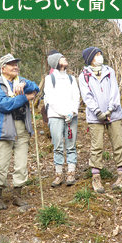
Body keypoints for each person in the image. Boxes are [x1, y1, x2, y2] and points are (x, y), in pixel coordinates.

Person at [0, 53, 40, 210]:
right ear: (2, 68)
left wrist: (25, 87)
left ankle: (17, 195)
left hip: (22, 127)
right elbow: (4, 105)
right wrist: (25, 97)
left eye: (16, 63)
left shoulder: (22, 81)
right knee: (1, 163)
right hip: (4, 127)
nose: (15, 66)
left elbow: (36, 88)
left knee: (21, 163)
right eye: (11, 64)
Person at [79, 47, 122, 193]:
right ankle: (96, 176)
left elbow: (115, 91)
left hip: (114, 114)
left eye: (100, 54)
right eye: (97, 55)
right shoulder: (84, 76)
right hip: (95, 117)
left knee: (118, 142)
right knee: (97, 146)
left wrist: (110, 109)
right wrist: (98, 112)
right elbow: (86, 96)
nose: (100, 57)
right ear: (90, 59)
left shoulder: (109, 71)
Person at [44, 52, 80, 187]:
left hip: (72, 117)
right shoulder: (49, 79)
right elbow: (51, 100)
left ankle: (71, 173)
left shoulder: (71, 79)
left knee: (71, 145)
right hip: (55, 117)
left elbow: (76, 96)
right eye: (62, 58)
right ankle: (58, 174)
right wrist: (65, 113)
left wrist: (73, 112)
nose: (65, 59)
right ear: (56, 62)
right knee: (58, 146)